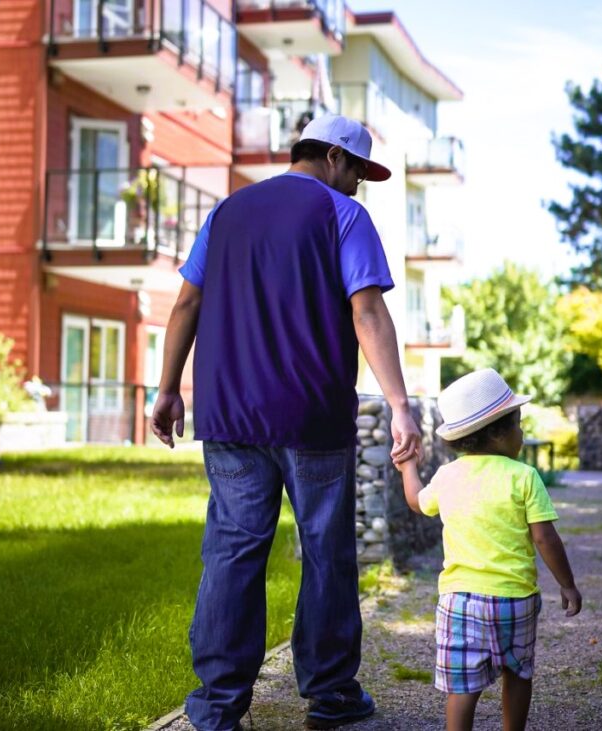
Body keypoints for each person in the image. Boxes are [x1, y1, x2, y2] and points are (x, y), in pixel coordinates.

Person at [150, 114, 423, 731]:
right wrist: (400, 404)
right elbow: (368, 312)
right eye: (357, 172)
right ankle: (330, 696)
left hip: (228, 414)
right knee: (326, 551)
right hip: (311, 416)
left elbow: (186, 302)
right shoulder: (341, 214)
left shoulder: (227, 213)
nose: (358, 187)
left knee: (232, 550)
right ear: (333, 158)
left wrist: (168, 390)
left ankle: (218, 706)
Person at [393, 368, 582, 731]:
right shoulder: (524, 477)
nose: (523, 433)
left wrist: (407, 466)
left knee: (462, 686)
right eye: (518, 425)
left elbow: (417, 502)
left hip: (459, 601)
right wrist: (567, 584)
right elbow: (546, 539)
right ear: (498, 433)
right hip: (515, 599)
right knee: (518, 672)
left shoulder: (447, 476)